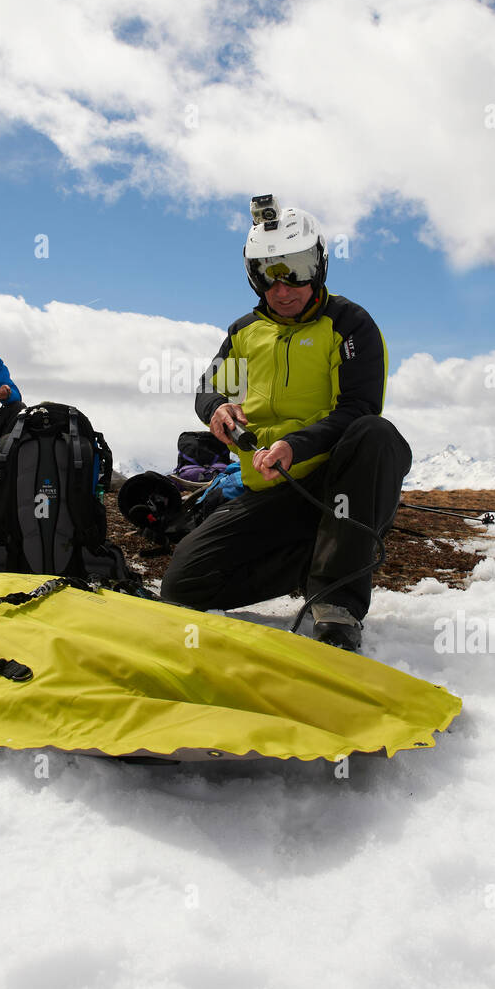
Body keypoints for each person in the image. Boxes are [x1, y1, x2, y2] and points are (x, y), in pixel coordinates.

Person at [160, 198, 412, 653]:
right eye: (268, 273)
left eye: (295, 269)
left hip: (334, 485)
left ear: (318, 265)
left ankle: (336, 602)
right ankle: (321, 557)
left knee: (376, 434)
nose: (283, 287)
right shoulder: (243, 331)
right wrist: (217, 407)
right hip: (269, 489)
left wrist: (297, 445)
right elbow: (208, 389)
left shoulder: (350, 324)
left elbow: (359, 408)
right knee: (183, 586)